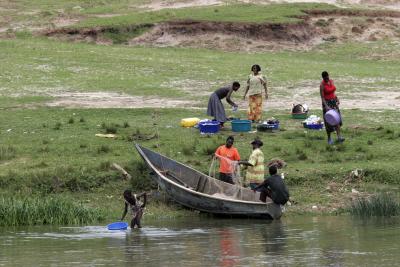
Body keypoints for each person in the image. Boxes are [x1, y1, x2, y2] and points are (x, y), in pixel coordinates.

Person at [320, 71, 345, 145]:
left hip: (334, 102)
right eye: (325, 78)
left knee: (337, 119)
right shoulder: (322, 85)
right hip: (327, 104)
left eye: (327, 77)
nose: (327, 79)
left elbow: (333, 92)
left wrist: (337, 98)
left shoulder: (331, 81)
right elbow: (322, 97)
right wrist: (326, 106)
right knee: (329, 122)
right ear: (323, 78)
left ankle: (339, 137)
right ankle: (329, 138)